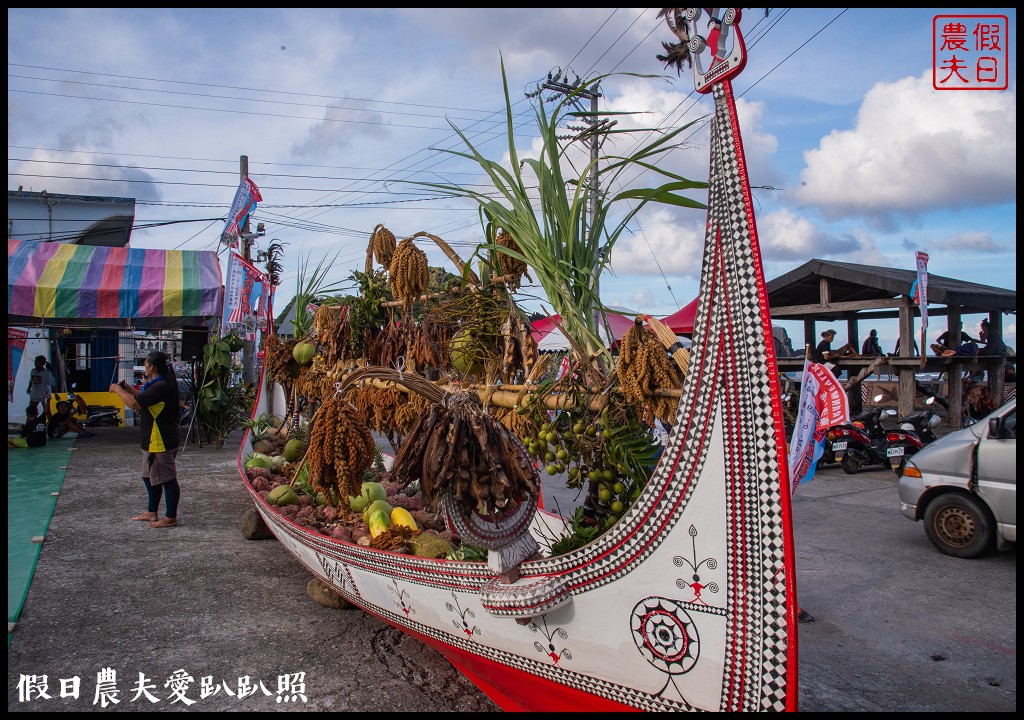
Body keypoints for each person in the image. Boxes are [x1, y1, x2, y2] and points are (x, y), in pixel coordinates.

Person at [109, 351, 182, 529]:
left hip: (159, 440)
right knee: (148, 476)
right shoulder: (160, 384)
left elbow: (135, 404)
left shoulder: (161, 386)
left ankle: (170, 517)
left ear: (152, 367)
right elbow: (142, 398)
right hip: (154, 439)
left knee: (167, 479)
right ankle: (152, 511)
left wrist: (117, 390)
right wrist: (126, 388)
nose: (145, 367)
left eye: (146, 364)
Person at [28, 355, 55, 424]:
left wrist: (55, 393)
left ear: (42, 363)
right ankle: (30, 425)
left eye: (36, 362)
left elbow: (53, 383)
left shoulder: (47, 373)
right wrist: (29, 387)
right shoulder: (33, 371)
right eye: (35, 362)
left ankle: (52, 426)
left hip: (44, 394)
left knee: (47, 411)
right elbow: (31, 380)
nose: (35, 364)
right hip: (35, 393)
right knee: (31, 410)